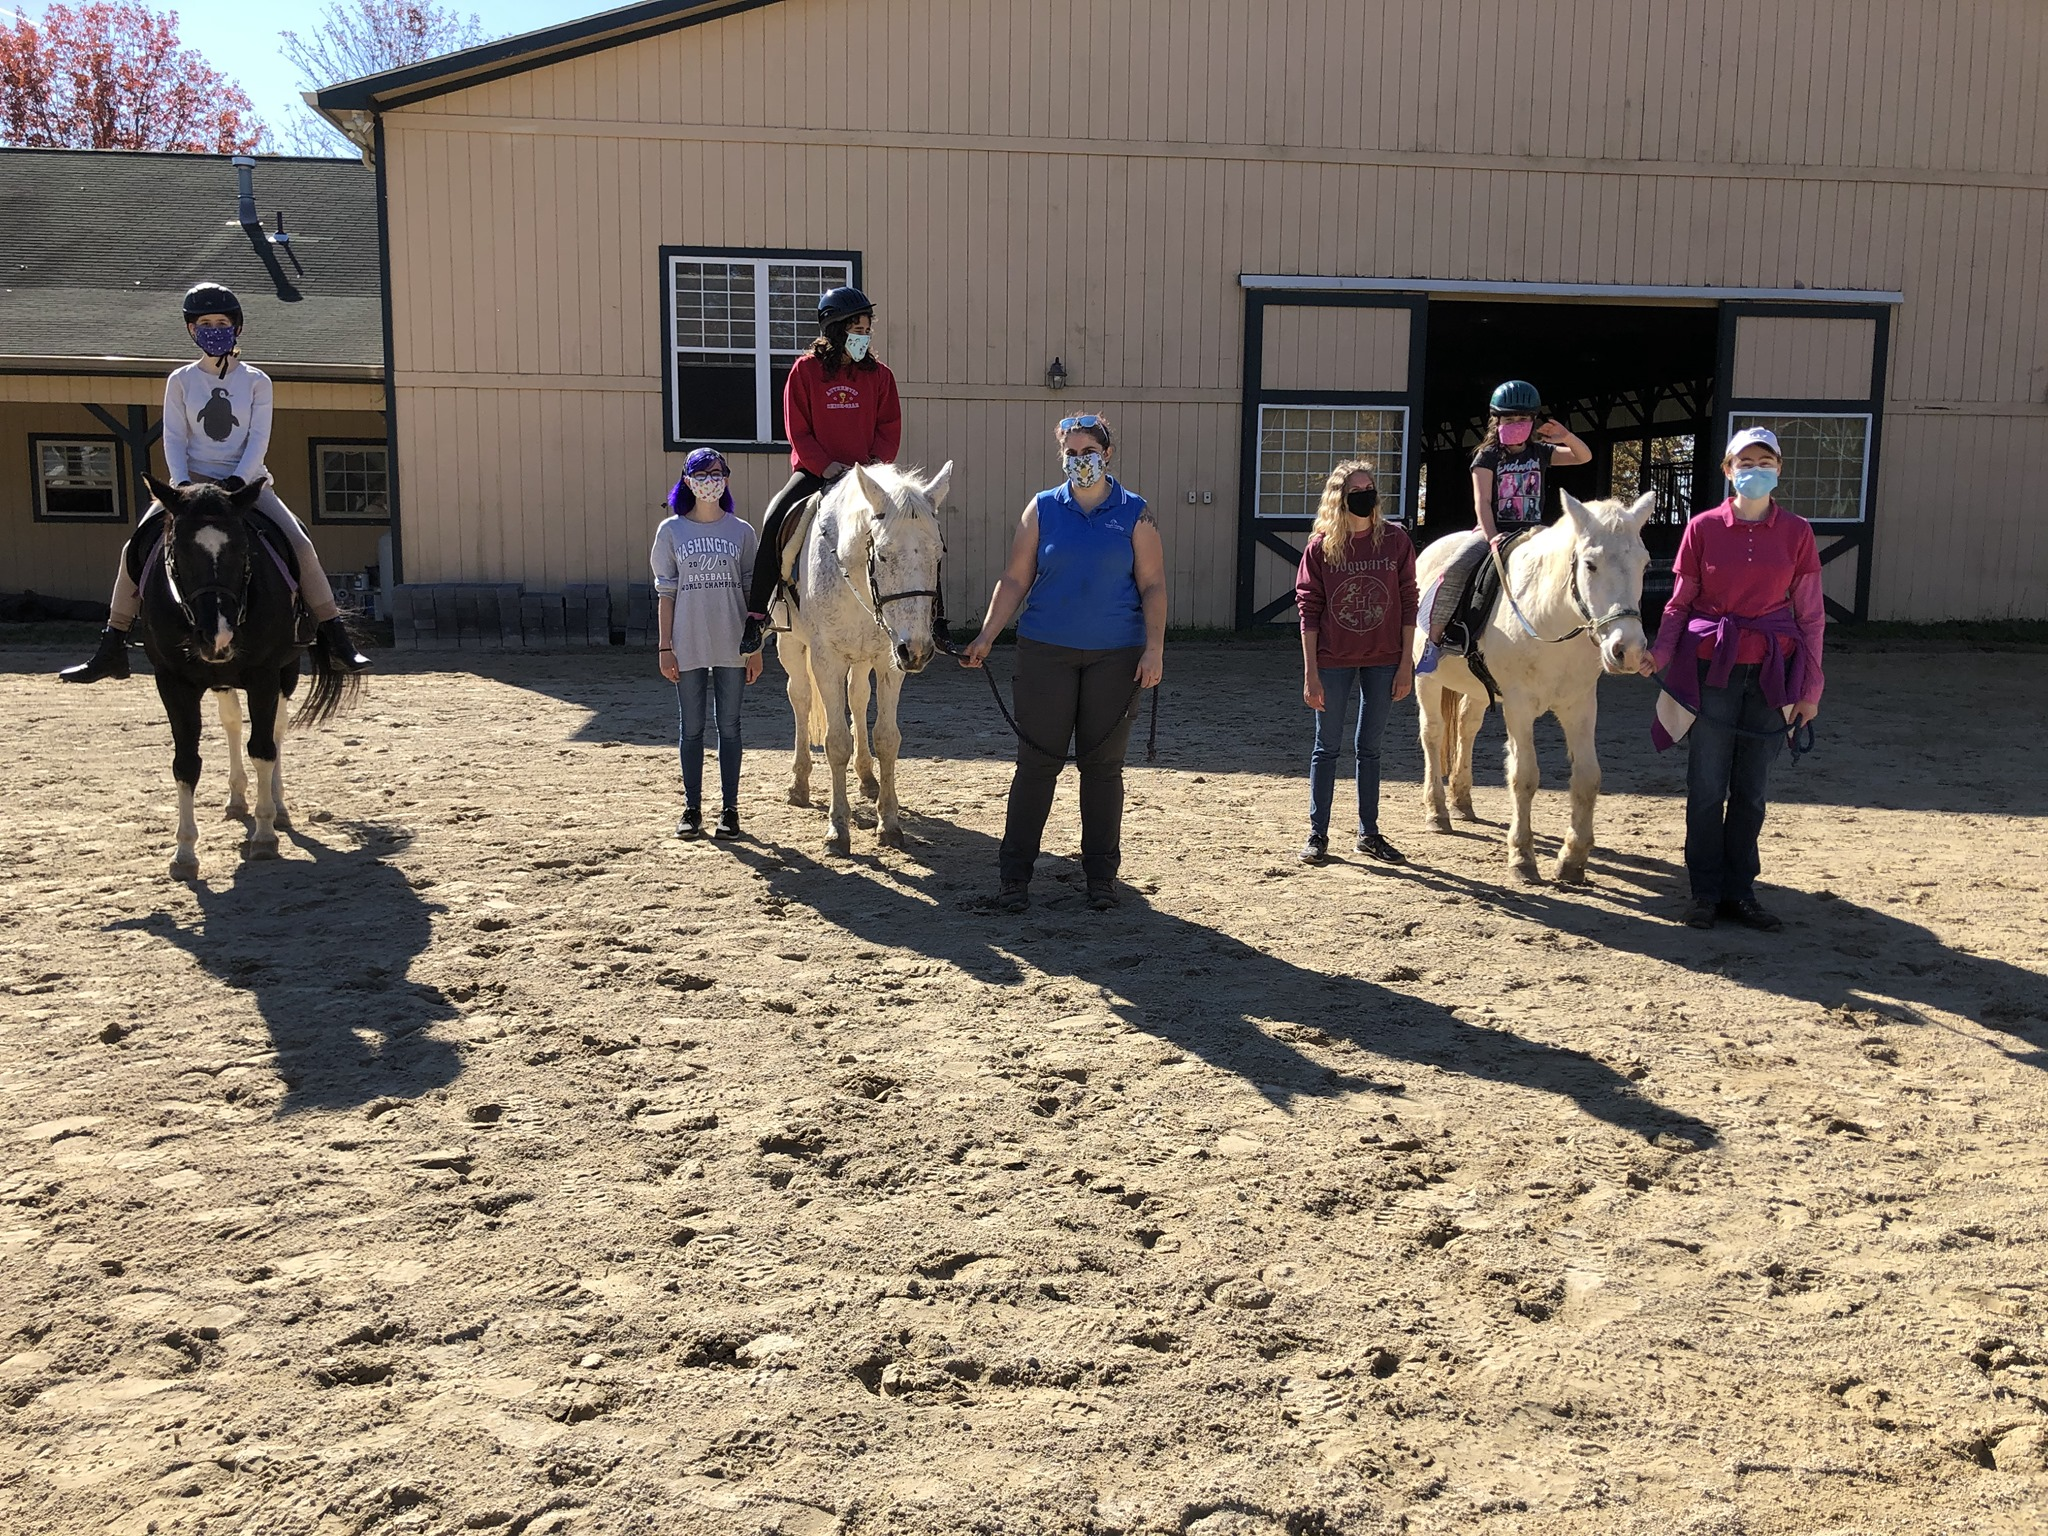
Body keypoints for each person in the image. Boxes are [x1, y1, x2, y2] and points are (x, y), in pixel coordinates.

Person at [61, 283, 370, 683]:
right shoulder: (181, 380)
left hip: (246, 485)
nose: (213, 329)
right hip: (190, 487)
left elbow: (258, 437)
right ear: (192, 330)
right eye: (204, 323)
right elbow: (174, 436)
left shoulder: (257, 380)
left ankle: (336, 637)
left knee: (299, 543)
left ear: (236, 328)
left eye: (221, 322)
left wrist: (239, 481)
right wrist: (183, 485)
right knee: (133, 547)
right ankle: (112, 644)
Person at [960, 414, 1166, 913]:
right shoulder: (1042, 509)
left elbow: (1153, 584)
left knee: (1103, 769)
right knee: (1036, 766)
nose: (1080, 460)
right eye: (1071, 453)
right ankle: (1014, 877)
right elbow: (1014, 579)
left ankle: (1100, 877)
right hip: (1044, 652)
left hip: (1116, 658)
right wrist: (987, 634)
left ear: (1108, 453)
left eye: (1089, 450)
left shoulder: (1134, 513)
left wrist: (1155, 647)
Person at [1642, 426, 1824, 932]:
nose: (1755, 469)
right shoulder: (1701, 528)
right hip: (1711, 668)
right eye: (1745, 462)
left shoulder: (1798, 532)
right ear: (1728, 469)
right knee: (1705, 783)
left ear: (1779, 470)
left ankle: (1740, 891)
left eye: (1765, 460)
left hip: (1771, 670)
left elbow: (1810, 616)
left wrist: (1810, 688)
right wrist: (1660, 652)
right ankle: (1704, 890)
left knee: (1752, 788)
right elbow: (1680, 602)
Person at [739, 285, 902, 654]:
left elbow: (889, 427)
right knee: (775, 517)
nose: (864, 337)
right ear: (835, 330)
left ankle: (935, 617)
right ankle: (757, 615)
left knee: (913, 523)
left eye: (867, 331)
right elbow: (798, 429)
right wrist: (826, 466)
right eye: (857, 330)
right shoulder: (805, 371)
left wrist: (874, 465)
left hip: (864, 478)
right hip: (817, 472)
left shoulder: (880, 376)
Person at [1296, 460, 1418, 866]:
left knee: (1370, 748)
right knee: (1326, 747)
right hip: (1333, 659)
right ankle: (1318, 833)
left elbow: (1408, 602)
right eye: (1357, 490)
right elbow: (1308, 610)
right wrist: (1311, 672)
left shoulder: (1396, 541)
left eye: (1370, 489)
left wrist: (1406, 663)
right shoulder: (1321, 548)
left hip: (1384, 660)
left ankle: (1370, 833)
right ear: (1340, 497)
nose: (1367, 497)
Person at [1420, 379, 1591, 659]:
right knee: (1453, 570)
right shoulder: (1486, 457)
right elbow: (1483, 502)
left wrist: (1566, 436)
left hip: (1534, 532)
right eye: (1510, 418)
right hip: (1494, 531)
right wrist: (1492, 537)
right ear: (1497, 420)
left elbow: (1582, 457)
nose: (1518, 423)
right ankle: (1436, 641)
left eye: (1524, 418)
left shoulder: (1541, 453)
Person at [653, 449, 763, 840]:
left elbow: (753, 596)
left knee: (730, 727)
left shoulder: (742, 532)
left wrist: (756, 648)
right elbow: (666, 593)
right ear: (687, 480)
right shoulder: (671, 532)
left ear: (727, 479)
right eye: (701, 473)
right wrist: (665, 647)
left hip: (734, 644)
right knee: (692, 727)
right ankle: (692, 807)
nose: (709, 480)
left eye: (717, 473)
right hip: (688, 643)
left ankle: (730, 810)